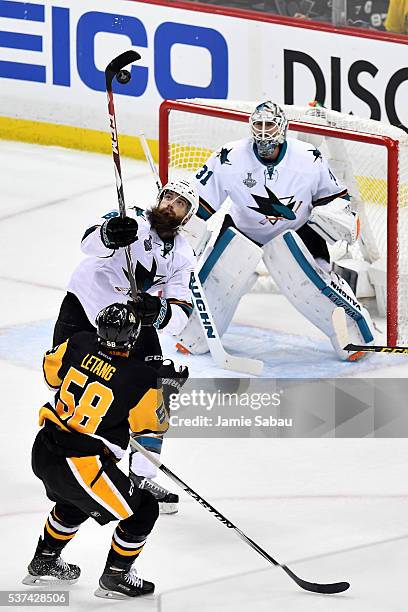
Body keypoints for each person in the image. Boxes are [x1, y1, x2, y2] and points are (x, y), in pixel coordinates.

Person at [178, 101, 375, 361]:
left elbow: (335, 197)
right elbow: (200, 203)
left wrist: (338, 217)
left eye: (269, 125)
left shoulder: (308, 157)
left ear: (282, 127)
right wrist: (177, 231)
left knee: (311, 285)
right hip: (242, 230)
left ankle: (355, 333)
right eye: (257, 125)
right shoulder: (229, 157)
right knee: (217, 281)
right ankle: (193, 333)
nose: (263, 132)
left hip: (299, 231)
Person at [23, 303, 187, 599]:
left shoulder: (77, 341)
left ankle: (45, 560)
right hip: (79, 464)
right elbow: (150, 427)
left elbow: (51, 377)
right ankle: (116, 575)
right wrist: (166, 391)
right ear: (134, 336)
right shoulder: (140, 378)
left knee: (75, 504)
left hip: (45, 449)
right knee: (143, 510)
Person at [53, 178, 198, 513]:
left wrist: (159, 312)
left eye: (180, 204)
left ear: (186, 217)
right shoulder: (130, 218)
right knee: (64, 379)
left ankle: (142, 474)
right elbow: (88, 244)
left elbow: (181, 312)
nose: (170, 205)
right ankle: (67, 458)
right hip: (85, 306)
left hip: (130, 321)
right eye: (168, 197)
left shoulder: (182, 255)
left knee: (159, 388)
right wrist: (108, 234)